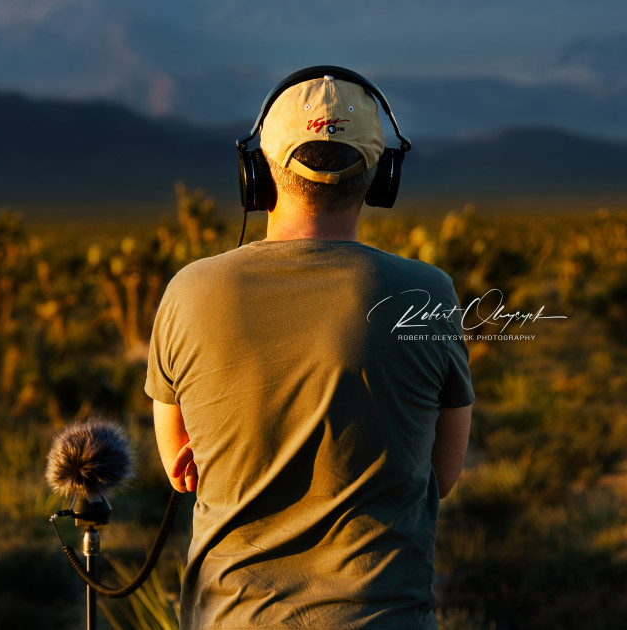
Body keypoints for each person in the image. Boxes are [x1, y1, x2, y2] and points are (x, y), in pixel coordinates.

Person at [145, 71, 474, 629]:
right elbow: (441, 476)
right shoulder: (428, 295)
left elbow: (182, 470)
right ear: (381, 177)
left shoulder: (189, 291)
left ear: (257, 174)